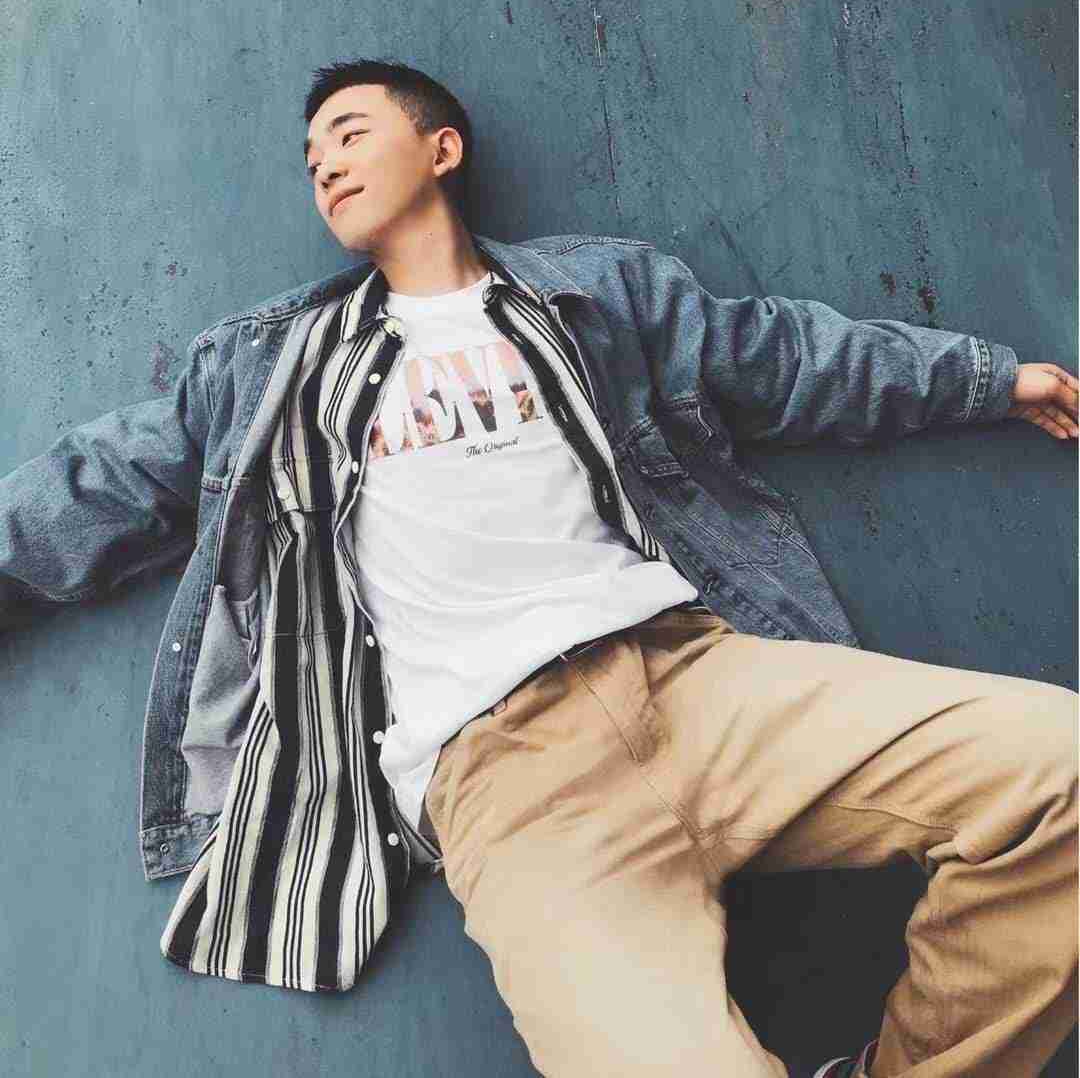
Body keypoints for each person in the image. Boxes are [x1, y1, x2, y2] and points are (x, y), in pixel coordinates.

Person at [2, 58, 1076, 1078]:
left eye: (350, 133)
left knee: (1060, 768)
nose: (324, 164)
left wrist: (987, 380)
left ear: (442, 149)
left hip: (700, 683)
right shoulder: (269, 359)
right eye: (311, 157)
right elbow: (109, 475)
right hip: (510, 781)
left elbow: (783, 358)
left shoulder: (599, 291)